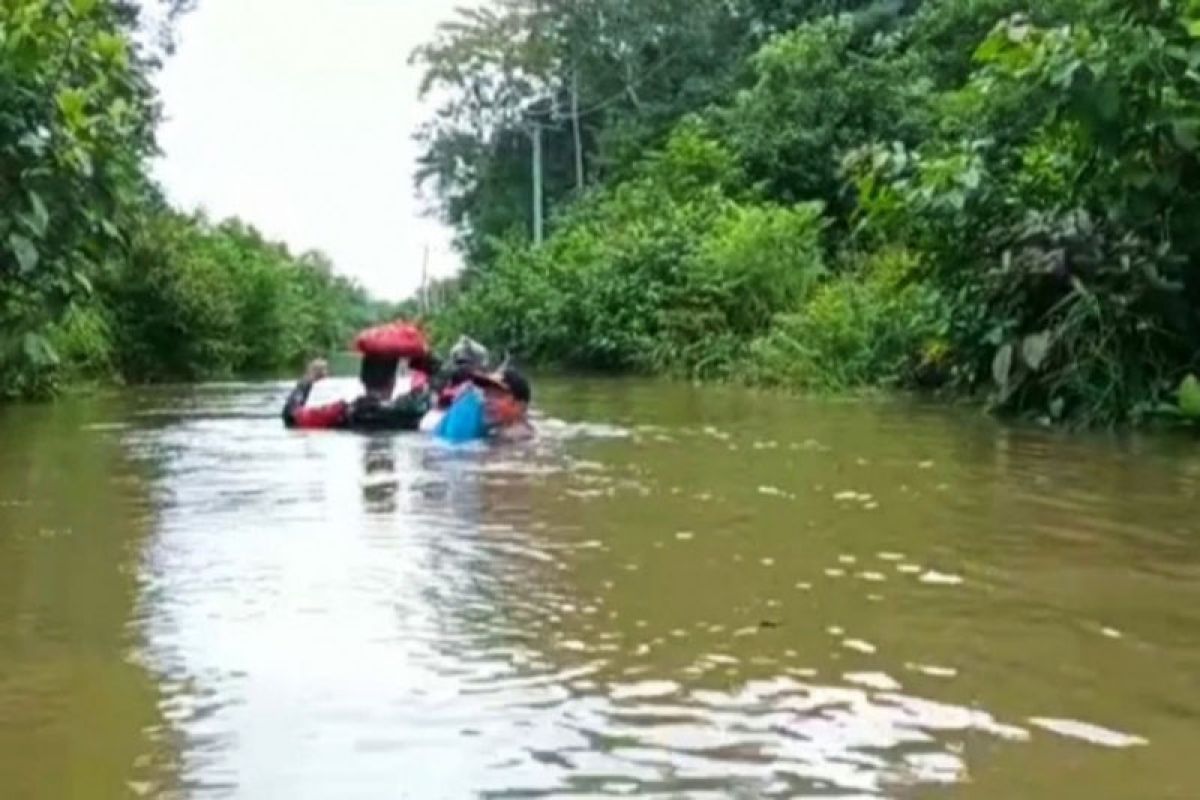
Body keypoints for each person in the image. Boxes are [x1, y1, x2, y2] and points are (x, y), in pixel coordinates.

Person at [281, 354, 431, 431]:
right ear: (393, 381)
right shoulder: (412, 409)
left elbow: (290, 416)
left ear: (362, 379)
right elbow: (436, 384)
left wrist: (308, 379)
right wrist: (421, 360)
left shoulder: (343, 413)